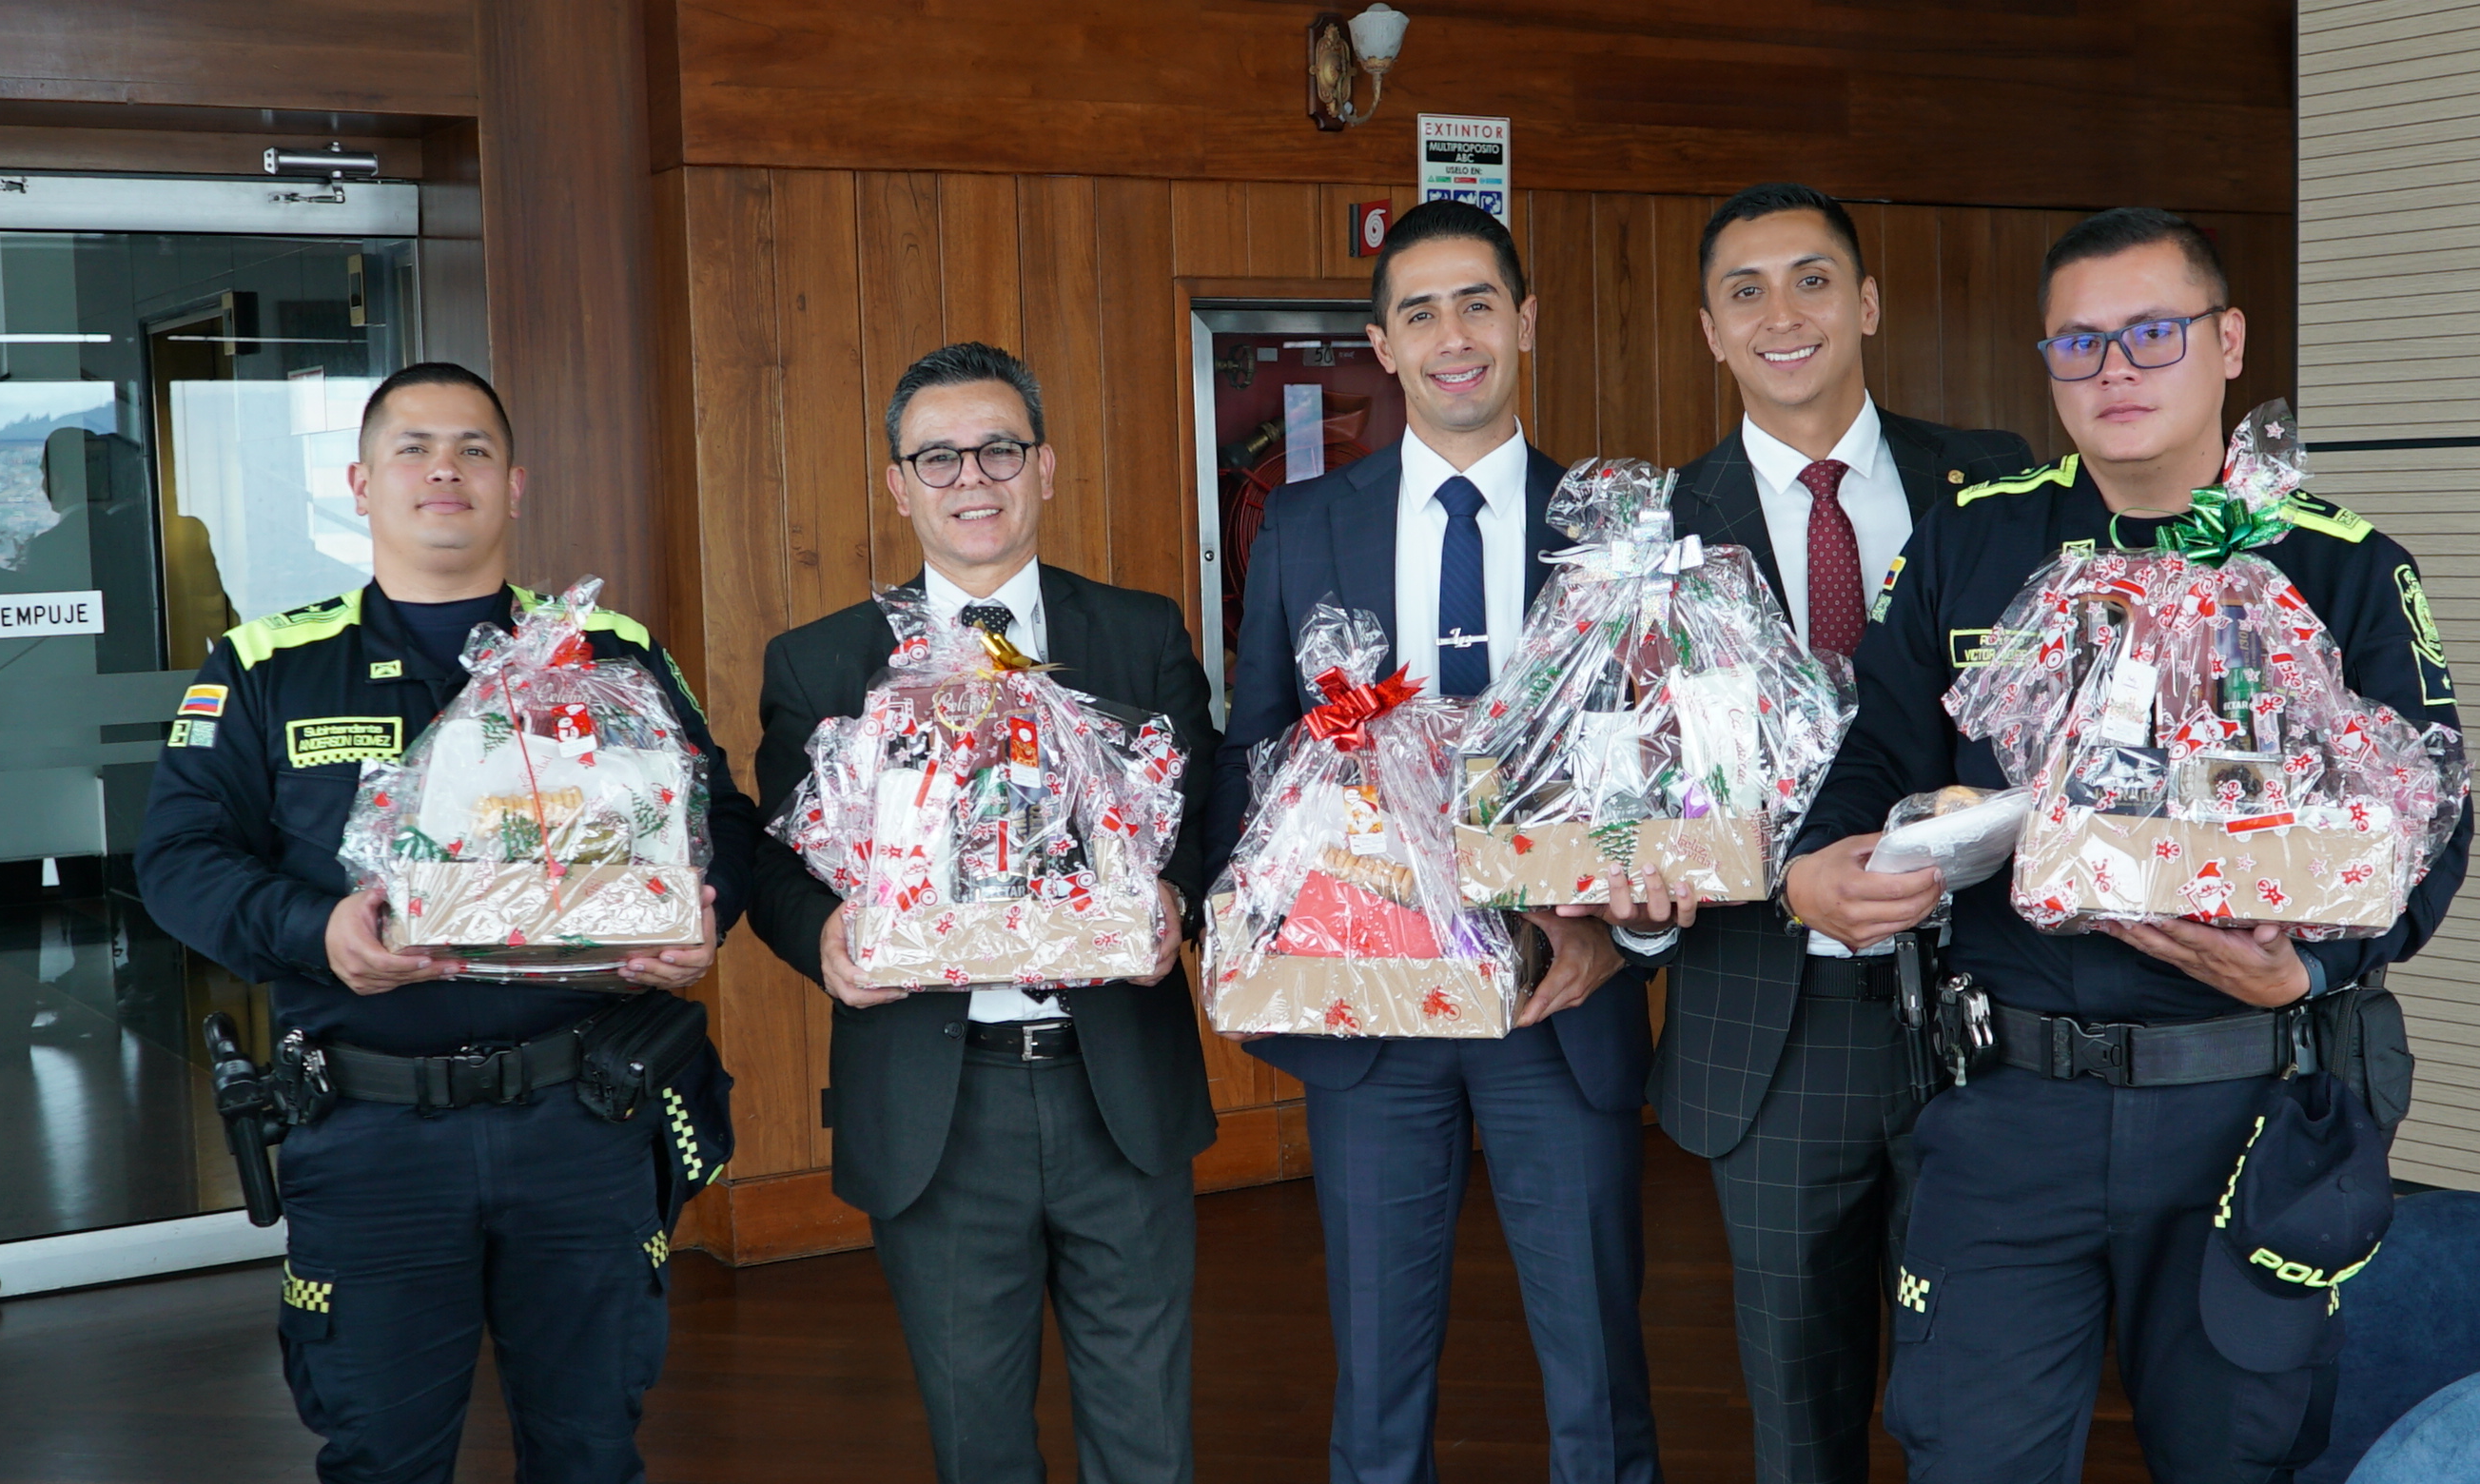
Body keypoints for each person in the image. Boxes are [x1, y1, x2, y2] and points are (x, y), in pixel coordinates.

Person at [1780, 208, 2471, 1481]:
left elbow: (2433, 818)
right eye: (2078, 342)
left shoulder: (2341, 566)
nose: (2114, 369)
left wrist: (2310, 969)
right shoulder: (1971, 541)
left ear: (2229, 342)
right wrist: (1812, 866)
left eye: (2153, 333)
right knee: (1968, 1454)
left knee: (2236, 1455)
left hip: (2246, 1102)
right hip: (2008, 1100)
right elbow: (1872, 753)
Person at [136, 362, 757, 1483]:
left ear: (514, 485)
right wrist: (319, 931)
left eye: (474, 449)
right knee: (381, 1454)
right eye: (412, 448)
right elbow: (179, 862)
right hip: (369, 1131)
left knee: (591, 1451)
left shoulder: (608, 652)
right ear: (359, 484)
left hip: (584, 1117)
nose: (444, 470)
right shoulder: (268, 666)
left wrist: (702, 915)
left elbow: (722, 821)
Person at [1207, 199, 1662, 1484]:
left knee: (1599, 1374)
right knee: (1376, 1382)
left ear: (1525, 321)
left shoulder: (1612, 527)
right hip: (1369, 1010)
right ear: (1383, 345)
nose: (1452, 336)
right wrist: (1255, 927)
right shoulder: (1305, 525)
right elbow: (1258, 747)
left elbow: (1672, 767)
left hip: (1561, 1000)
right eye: (1420, 313)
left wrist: (1626, 936)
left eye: (1478, 304)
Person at [1588, 183, 2032, 1484]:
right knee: (1801, 1426)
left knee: (1988, 1408)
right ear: (1708, 331)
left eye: (1813, 279)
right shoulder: (1649, 539)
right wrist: (1638, 907)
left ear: (1868, 304)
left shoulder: (1998, 486)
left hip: (1990, 1010)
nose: (1781, 314)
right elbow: (1621, 793)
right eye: (1745, 291)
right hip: (1771, 1034)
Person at [745, 342, 1220, 1484]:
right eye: (938, 458)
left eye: (999, 450)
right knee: (977, 1445)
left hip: (1118, 1086)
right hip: (934, 1103)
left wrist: (1174, 899)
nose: (972, 478)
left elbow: (1206, 817)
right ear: (898, 483)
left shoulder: (1139, 631)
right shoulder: (821, 662)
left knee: (1149, 1440)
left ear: (1043, 467)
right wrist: (821, 937)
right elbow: (773, 860)